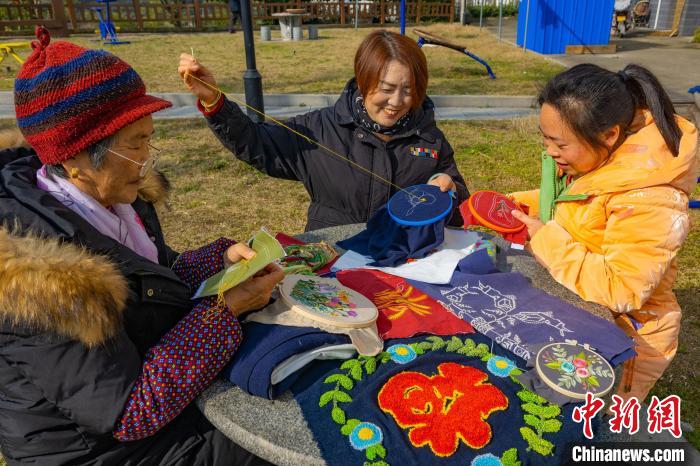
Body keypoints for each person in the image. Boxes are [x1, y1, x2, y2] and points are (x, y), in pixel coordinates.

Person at [0, 27, 282, 465]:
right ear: (75, 160)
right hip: (104, 451)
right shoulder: (39, 277)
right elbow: (131, 410)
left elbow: (149, 287)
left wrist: (218, 260)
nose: (147, 159)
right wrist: (225, 311)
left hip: (151, 416)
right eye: (136, 145)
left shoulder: (113, 203)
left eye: (149, 139)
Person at [509, 64, 697, 402]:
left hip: (626, 341)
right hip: (584, 311)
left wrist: (545, 238)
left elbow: (621, 288)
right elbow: (574, 202)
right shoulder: (605, 160)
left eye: (560, 143)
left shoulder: (649, 198)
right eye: (545, 138)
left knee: (596, 425)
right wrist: (512, 206)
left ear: (609, 135)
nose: (550, 152)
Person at [178, 30, 470, 231]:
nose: (396, 102)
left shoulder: (429, 138)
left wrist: (450, 188)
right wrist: (214, 101)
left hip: (408, 264)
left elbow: (459, 200)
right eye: (386, 89)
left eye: (408, 90)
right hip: (334, 263)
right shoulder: (318, 129)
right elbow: (256, 144)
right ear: (363, 81)